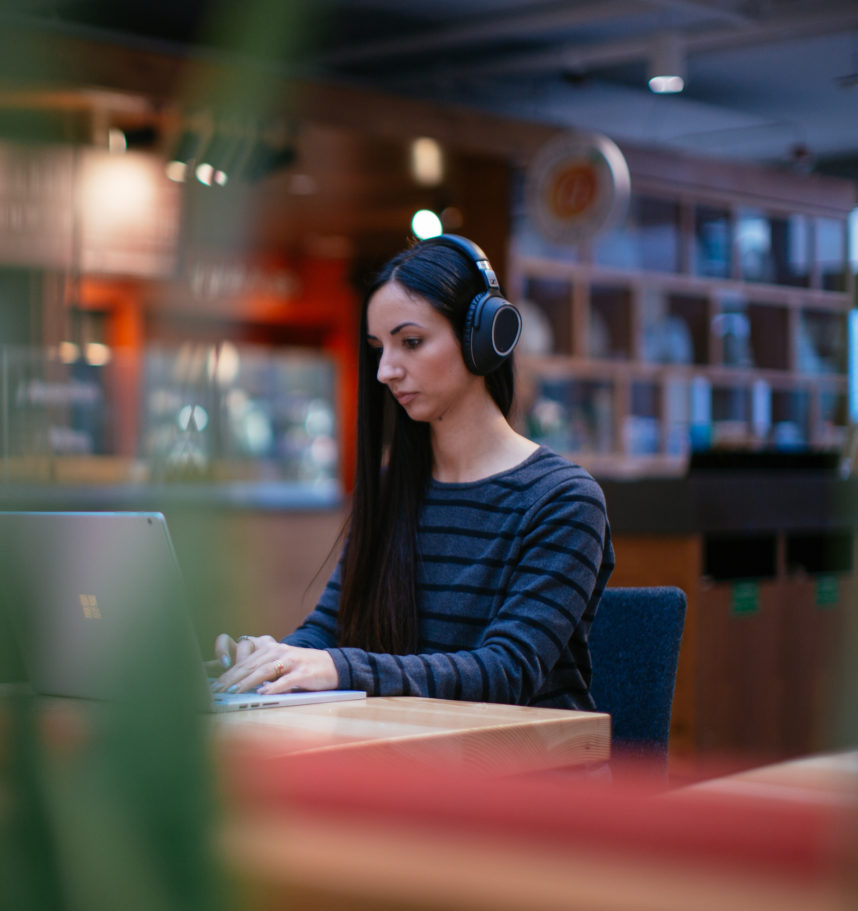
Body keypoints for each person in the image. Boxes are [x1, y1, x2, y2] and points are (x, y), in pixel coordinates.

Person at [212, 235, 613, 710]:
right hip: (416, 756)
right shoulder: (393, 487)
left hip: (528, 770)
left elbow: (506, 672)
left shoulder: (563, 500)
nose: (385, 371)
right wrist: (271, 659)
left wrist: (338, 667)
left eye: (412, 342)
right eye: (379, 348)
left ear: (483, 337)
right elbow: (330, 627)